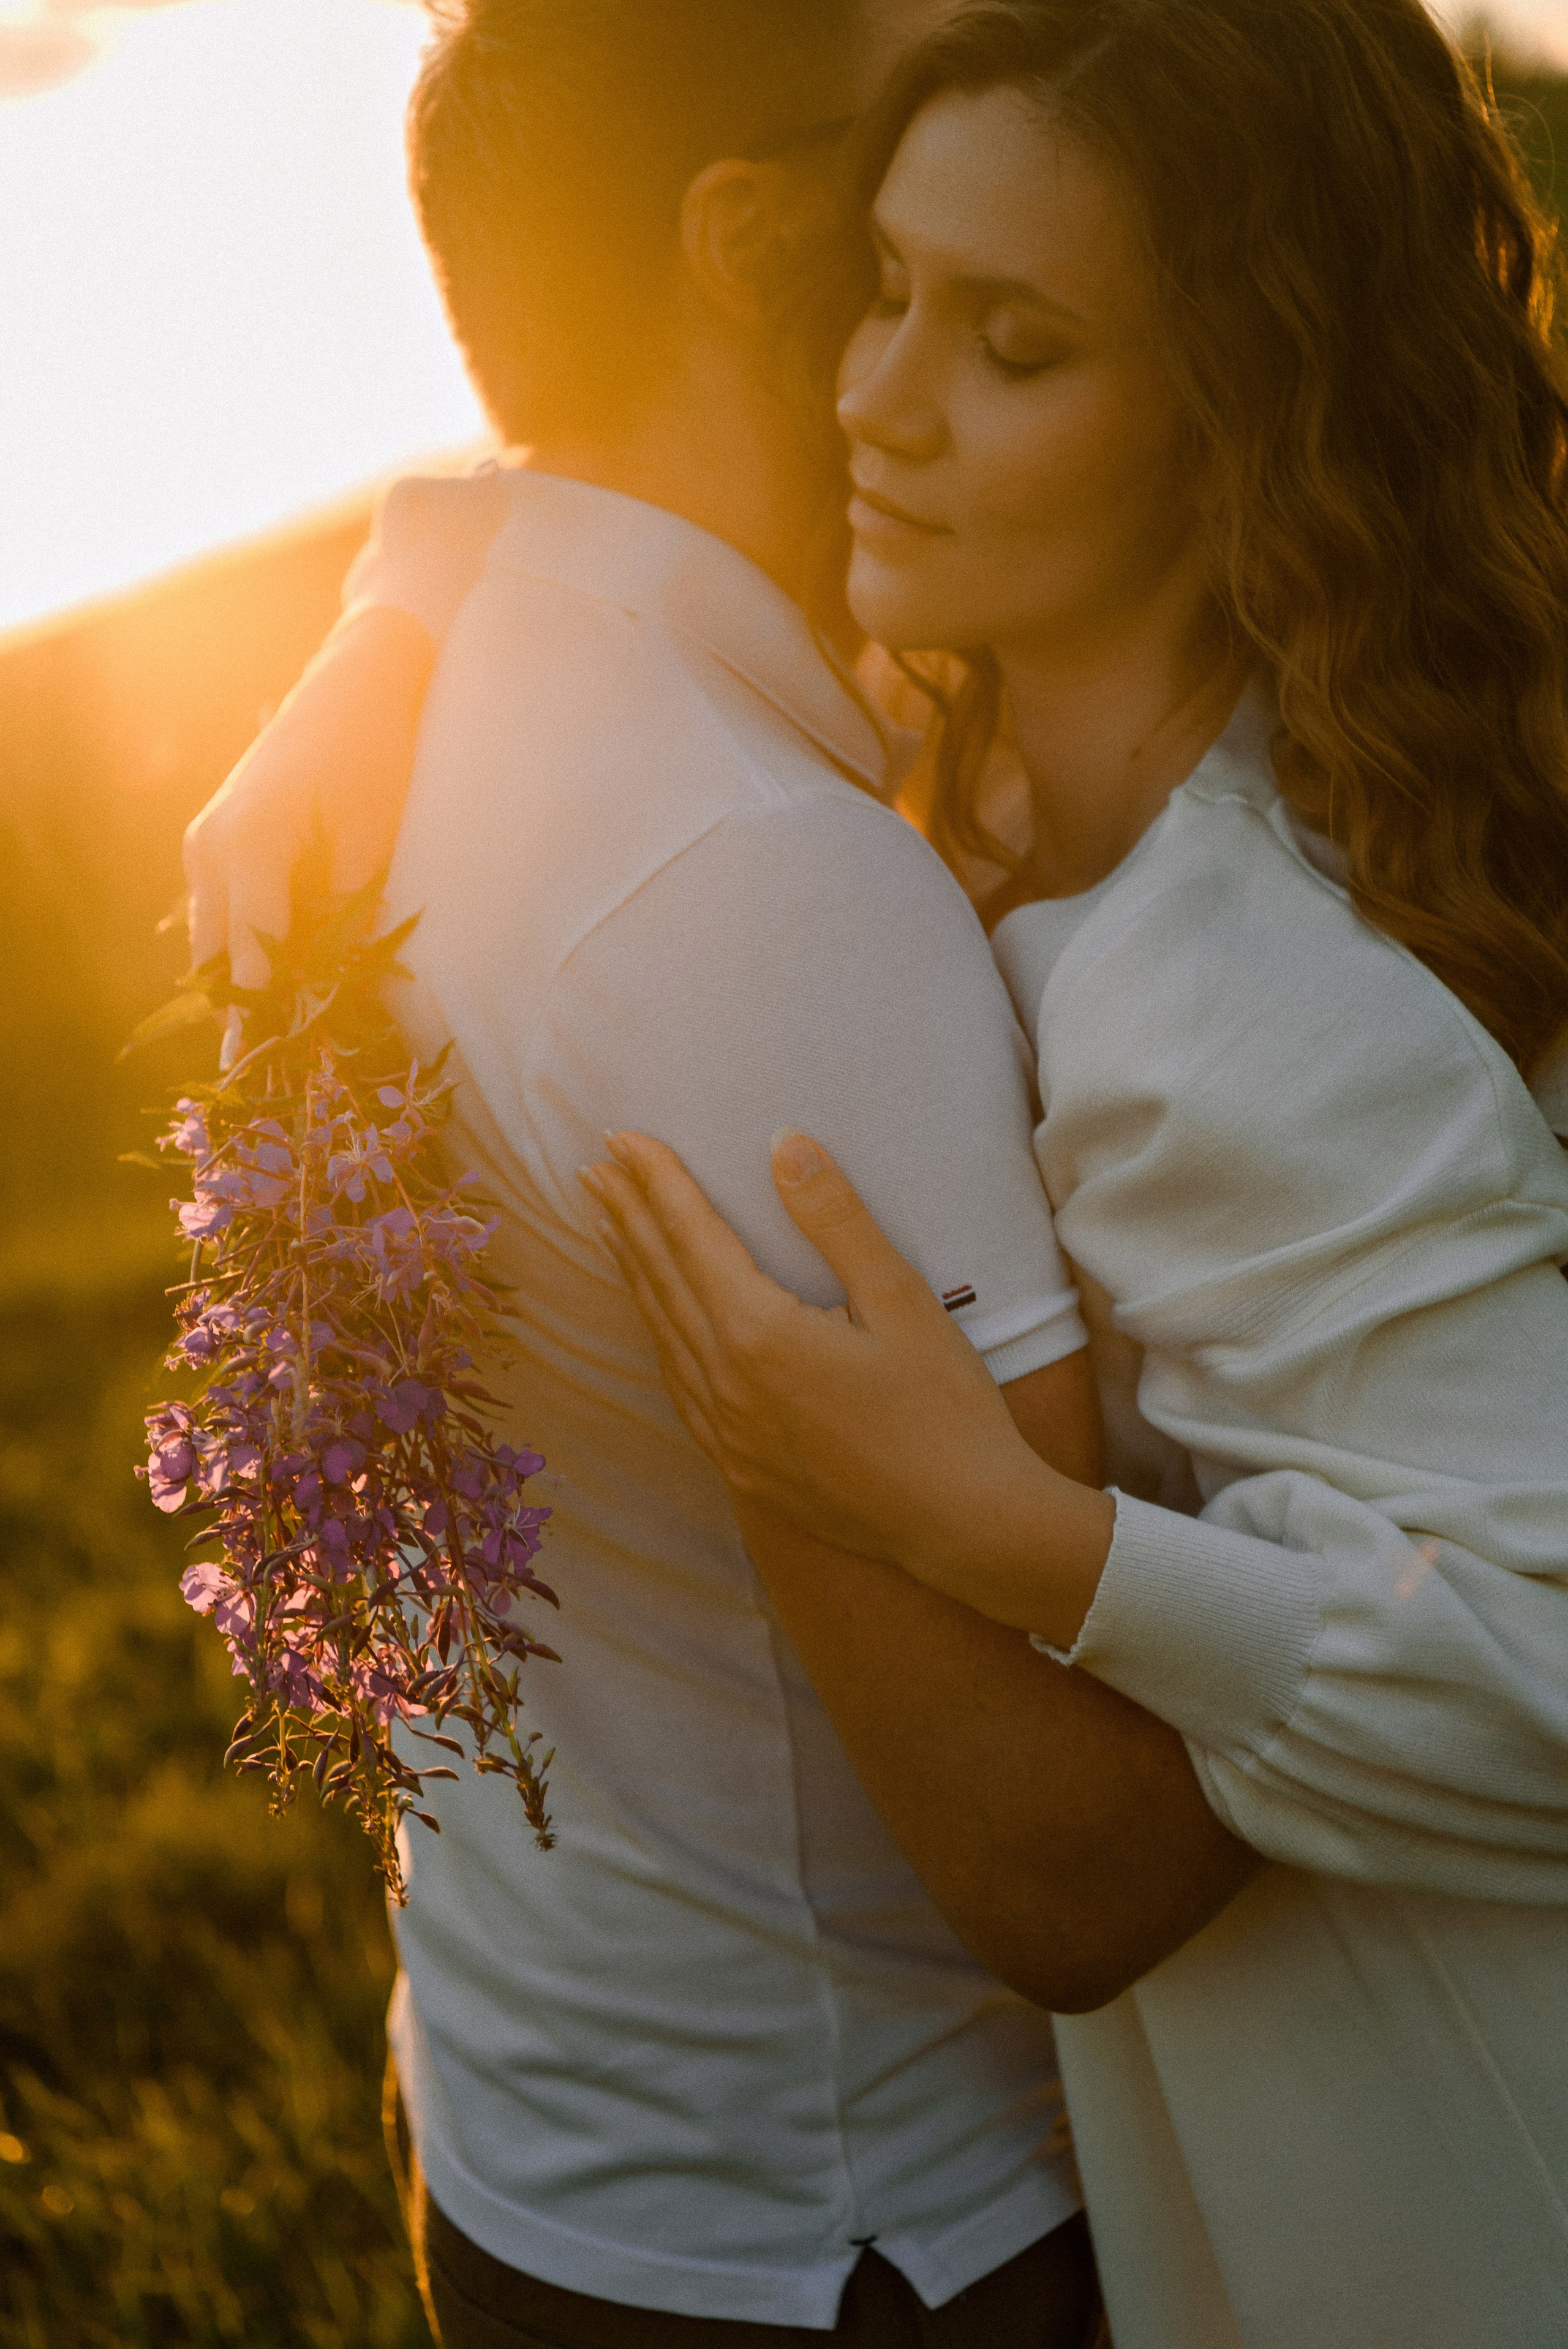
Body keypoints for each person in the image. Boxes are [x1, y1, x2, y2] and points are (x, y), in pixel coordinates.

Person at [183, 1, 1568, 2343]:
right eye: (888, 281)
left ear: (1225, 395)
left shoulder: (1229, 986)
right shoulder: (912, 792)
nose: (878, 385)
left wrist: (1020, 1537)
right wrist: (406, 577)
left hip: (1413, 2134)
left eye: (1008, 336)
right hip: (1011, 2176)